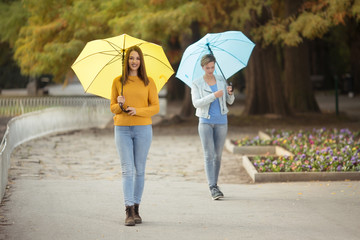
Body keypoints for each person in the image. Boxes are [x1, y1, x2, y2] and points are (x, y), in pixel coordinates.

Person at [110, 46, 160, 226]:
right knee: (127, 170)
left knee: (140, 170)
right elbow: (112, 108)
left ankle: (137, 209)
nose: (134, 61)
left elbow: (155, 107)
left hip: (143, 129)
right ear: (127, 61)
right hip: (122, 129)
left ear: (141, 61)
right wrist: (119, 104)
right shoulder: (118, 82)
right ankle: (128, 210)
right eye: (131, 58)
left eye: (137, 58)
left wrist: (137, 110)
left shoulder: (148, 82)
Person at [191, 54, 235, 200]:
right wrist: (213, 95)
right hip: (205, 122)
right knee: (209, 155)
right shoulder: (197, 83)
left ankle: (215, 184)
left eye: (212, 67)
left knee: (218, 155)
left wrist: (230, 93)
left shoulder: (221, 79)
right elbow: (196, 103)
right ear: (202, 67)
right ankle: (212, 187)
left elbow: (230, 101)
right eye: (207, 67)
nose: (210, 70)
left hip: (222, 121)